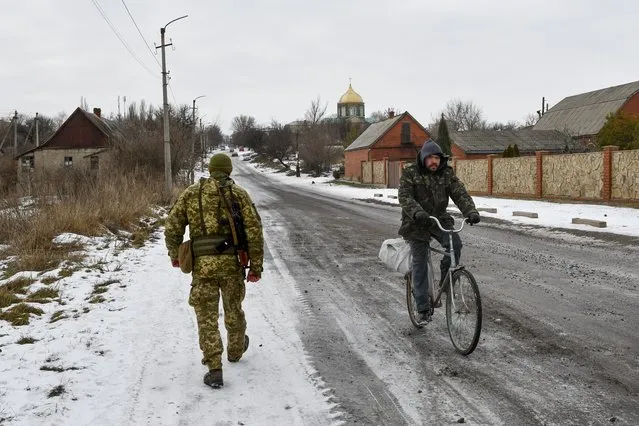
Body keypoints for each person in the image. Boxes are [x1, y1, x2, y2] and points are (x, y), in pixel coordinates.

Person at [164, 153, 264, 389]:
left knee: (206, 316)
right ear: (229, 170)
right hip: (231, 265)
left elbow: (172, 226)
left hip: (202, 266)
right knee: (233, 309)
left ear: (210, 170)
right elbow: (254, 232)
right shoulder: (238, 194)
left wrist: (174, 255)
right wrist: (256, 267)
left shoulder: (191, 193)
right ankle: (236, 350)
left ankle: (214, 368)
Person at [398, 139, 480, 323]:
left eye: (436, 158)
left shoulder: (446, 173)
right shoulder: (411, 173)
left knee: (455, 245)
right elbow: (404, 196)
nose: (433, 162)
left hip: (438, 219)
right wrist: (417, 212)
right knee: (419, 263)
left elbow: (459, 193)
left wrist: (471, 211)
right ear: (423, 159)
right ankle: (423, 309)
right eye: (430, 158)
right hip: (416, 222)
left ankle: (446, 281)